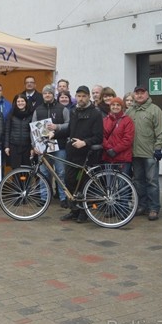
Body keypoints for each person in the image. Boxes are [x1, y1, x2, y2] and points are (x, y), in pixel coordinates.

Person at [58, 86, 103, 223]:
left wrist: (84, 142)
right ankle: (74, 210)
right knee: (70, 181)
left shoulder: (95, 114)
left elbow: (99, 137)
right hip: (72, 154)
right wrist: (54, 134)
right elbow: (69, 131)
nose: (81, 99)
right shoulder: (73, 112)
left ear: (89, 97)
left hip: (86, 154)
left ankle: (84, 212)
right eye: (79, 96)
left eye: (84, 96)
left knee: (84, 184)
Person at [126, 85, 162, 221]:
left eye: (142, 93)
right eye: (137, 93)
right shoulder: (130, 111)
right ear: (134, 95)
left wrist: (158, 147)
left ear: (147, 94)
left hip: (149, 153)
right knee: (138, 181)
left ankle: (154, 208)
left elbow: (161, 130)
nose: (139, 95)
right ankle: (141, 206)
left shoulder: (155, 110)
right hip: (134, 153)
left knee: (152, 182)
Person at [32, 84, 70, 207]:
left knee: (61, 173)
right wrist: (34, 145)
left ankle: (63, 197)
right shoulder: (37, 110)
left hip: (60, 145)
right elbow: (33, 129)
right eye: (45, 93)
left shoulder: (62, 109)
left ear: (53, 94)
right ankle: (44, 197)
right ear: (42, 95)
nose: (47, 95)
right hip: (43, 146)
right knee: (43, 173)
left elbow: (69, 125)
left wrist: (57, 127)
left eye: (49, 93)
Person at [102, 97, 134, 176]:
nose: (115, 107)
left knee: (122, 185)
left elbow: (128, 139)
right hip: (108, 157)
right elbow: (101, 136)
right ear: (110, 106)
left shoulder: (127, 120)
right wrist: (109, 148)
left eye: (118, 105)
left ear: (122, 107)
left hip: (123, 158)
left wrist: (115, 150)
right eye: (113, 105)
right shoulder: (104, 120)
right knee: (109, 185)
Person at [5, 94, 33, 168]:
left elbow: (33, 132)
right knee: (15, 169)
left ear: (26, 102)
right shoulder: (11, 115)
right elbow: (7, 131)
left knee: (27, 169)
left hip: (27, 146)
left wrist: (33, 147)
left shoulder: (31, 114)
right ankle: (16, 180)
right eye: (18, 101)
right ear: (15, 103)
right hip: (14, 146)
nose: (20, 103)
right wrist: (6, 146)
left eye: (22, 101)